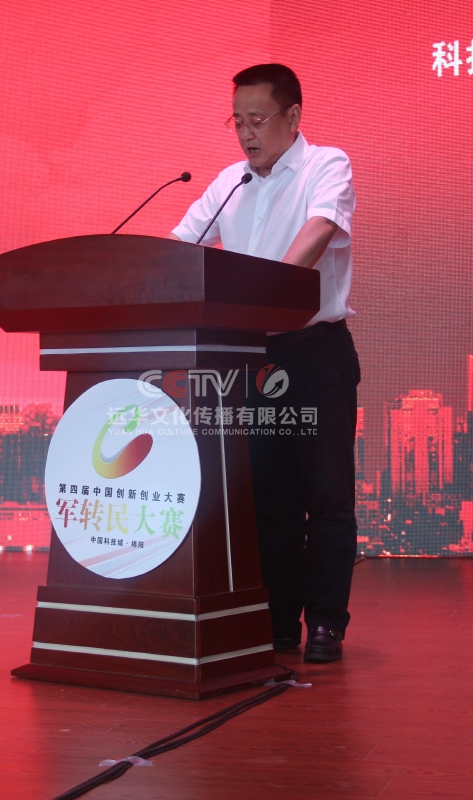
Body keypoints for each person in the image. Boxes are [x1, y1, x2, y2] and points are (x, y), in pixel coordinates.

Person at [169, 64, 359, 663]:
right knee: (267, 499)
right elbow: (180, 246)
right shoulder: (230, 182)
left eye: (257, 120)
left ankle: (325, 621)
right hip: (251, 360)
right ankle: (277, 621)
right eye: (237, 122)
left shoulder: (326, 165)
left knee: (326, 496)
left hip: (314, 353)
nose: (246, 134)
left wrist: (264, 294)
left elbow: (319, 229)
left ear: (292, 117)